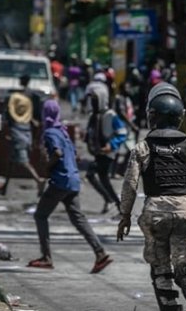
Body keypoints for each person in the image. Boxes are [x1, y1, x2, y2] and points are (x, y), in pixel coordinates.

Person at [117, 82, 186, 311]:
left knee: (159, 263)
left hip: (155, 211)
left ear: (153, 117)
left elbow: (130, 184)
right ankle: (185, 266)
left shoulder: (143, 147)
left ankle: (169, 304)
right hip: (184, 209)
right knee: (184, 248)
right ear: (179, 117)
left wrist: (125, 216)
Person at [27, 99, 113, 273]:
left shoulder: (50, 132)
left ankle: (46, 257)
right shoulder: (63, 132)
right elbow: (75, 156)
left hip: (60, 181)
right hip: (73, 180)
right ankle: (100, 252)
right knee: (78, 219)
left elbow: (57, 153)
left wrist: (47, 166)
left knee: (40, 215)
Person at [0, 78, 45, 196]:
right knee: (11, 162)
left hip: (18, 135)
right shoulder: (30, 99)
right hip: (26, 133)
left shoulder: (14, 100)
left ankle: (38, 180)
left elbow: (7, 117)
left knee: (23, 161)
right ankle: (4, 186)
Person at [85, 88, 127, 214]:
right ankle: (118, 204)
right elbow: (89, 132)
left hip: (108, 152)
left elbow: (122, 133)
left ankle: (110, 200)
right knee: (104, 179)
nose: (93, 103)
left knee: (91, 173)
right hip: (98, 151)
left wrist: (111, 145)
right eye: (92, 100)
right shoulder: (93, 115)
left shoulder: (111, 115)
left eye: (95, 100)